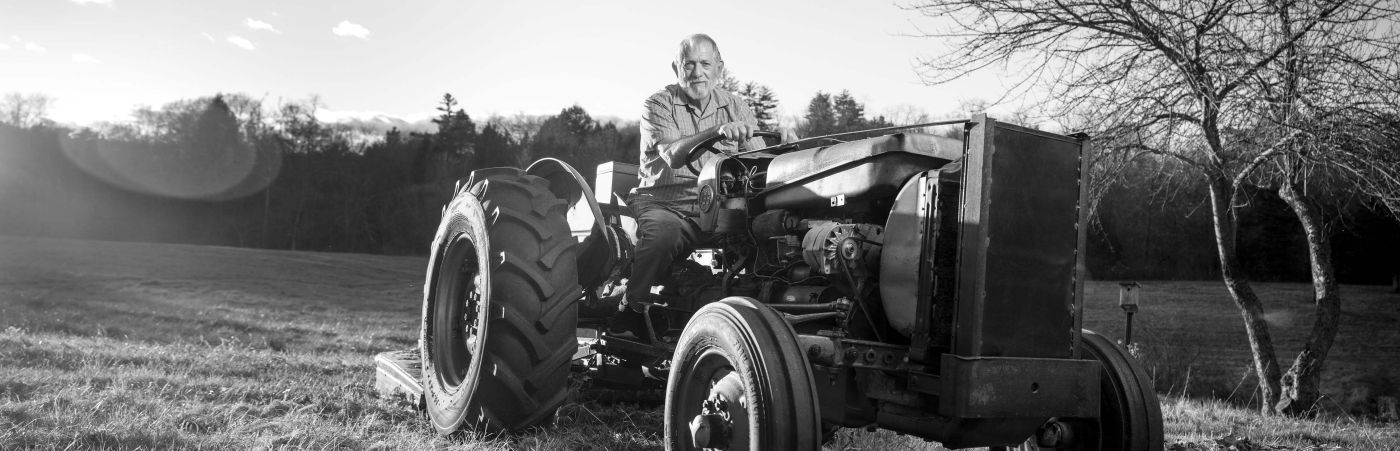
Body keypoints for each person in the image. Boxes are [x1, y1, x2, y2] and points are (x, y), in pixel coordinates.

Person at [616, 34, 766, 333]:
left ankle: (764, 307)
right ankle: (630, 309)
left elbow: (761, 158)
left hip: (718, 206)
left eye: (705, 64)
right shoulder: (658, 104)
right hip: (663, 202)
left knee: (772, 230)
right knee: (663, 234)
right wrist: (717, 132)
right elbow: (672, 155)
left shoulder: (735, 105)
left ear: (719, 68)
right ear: (676, 68)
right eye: (690, 64)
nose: (698, 72)